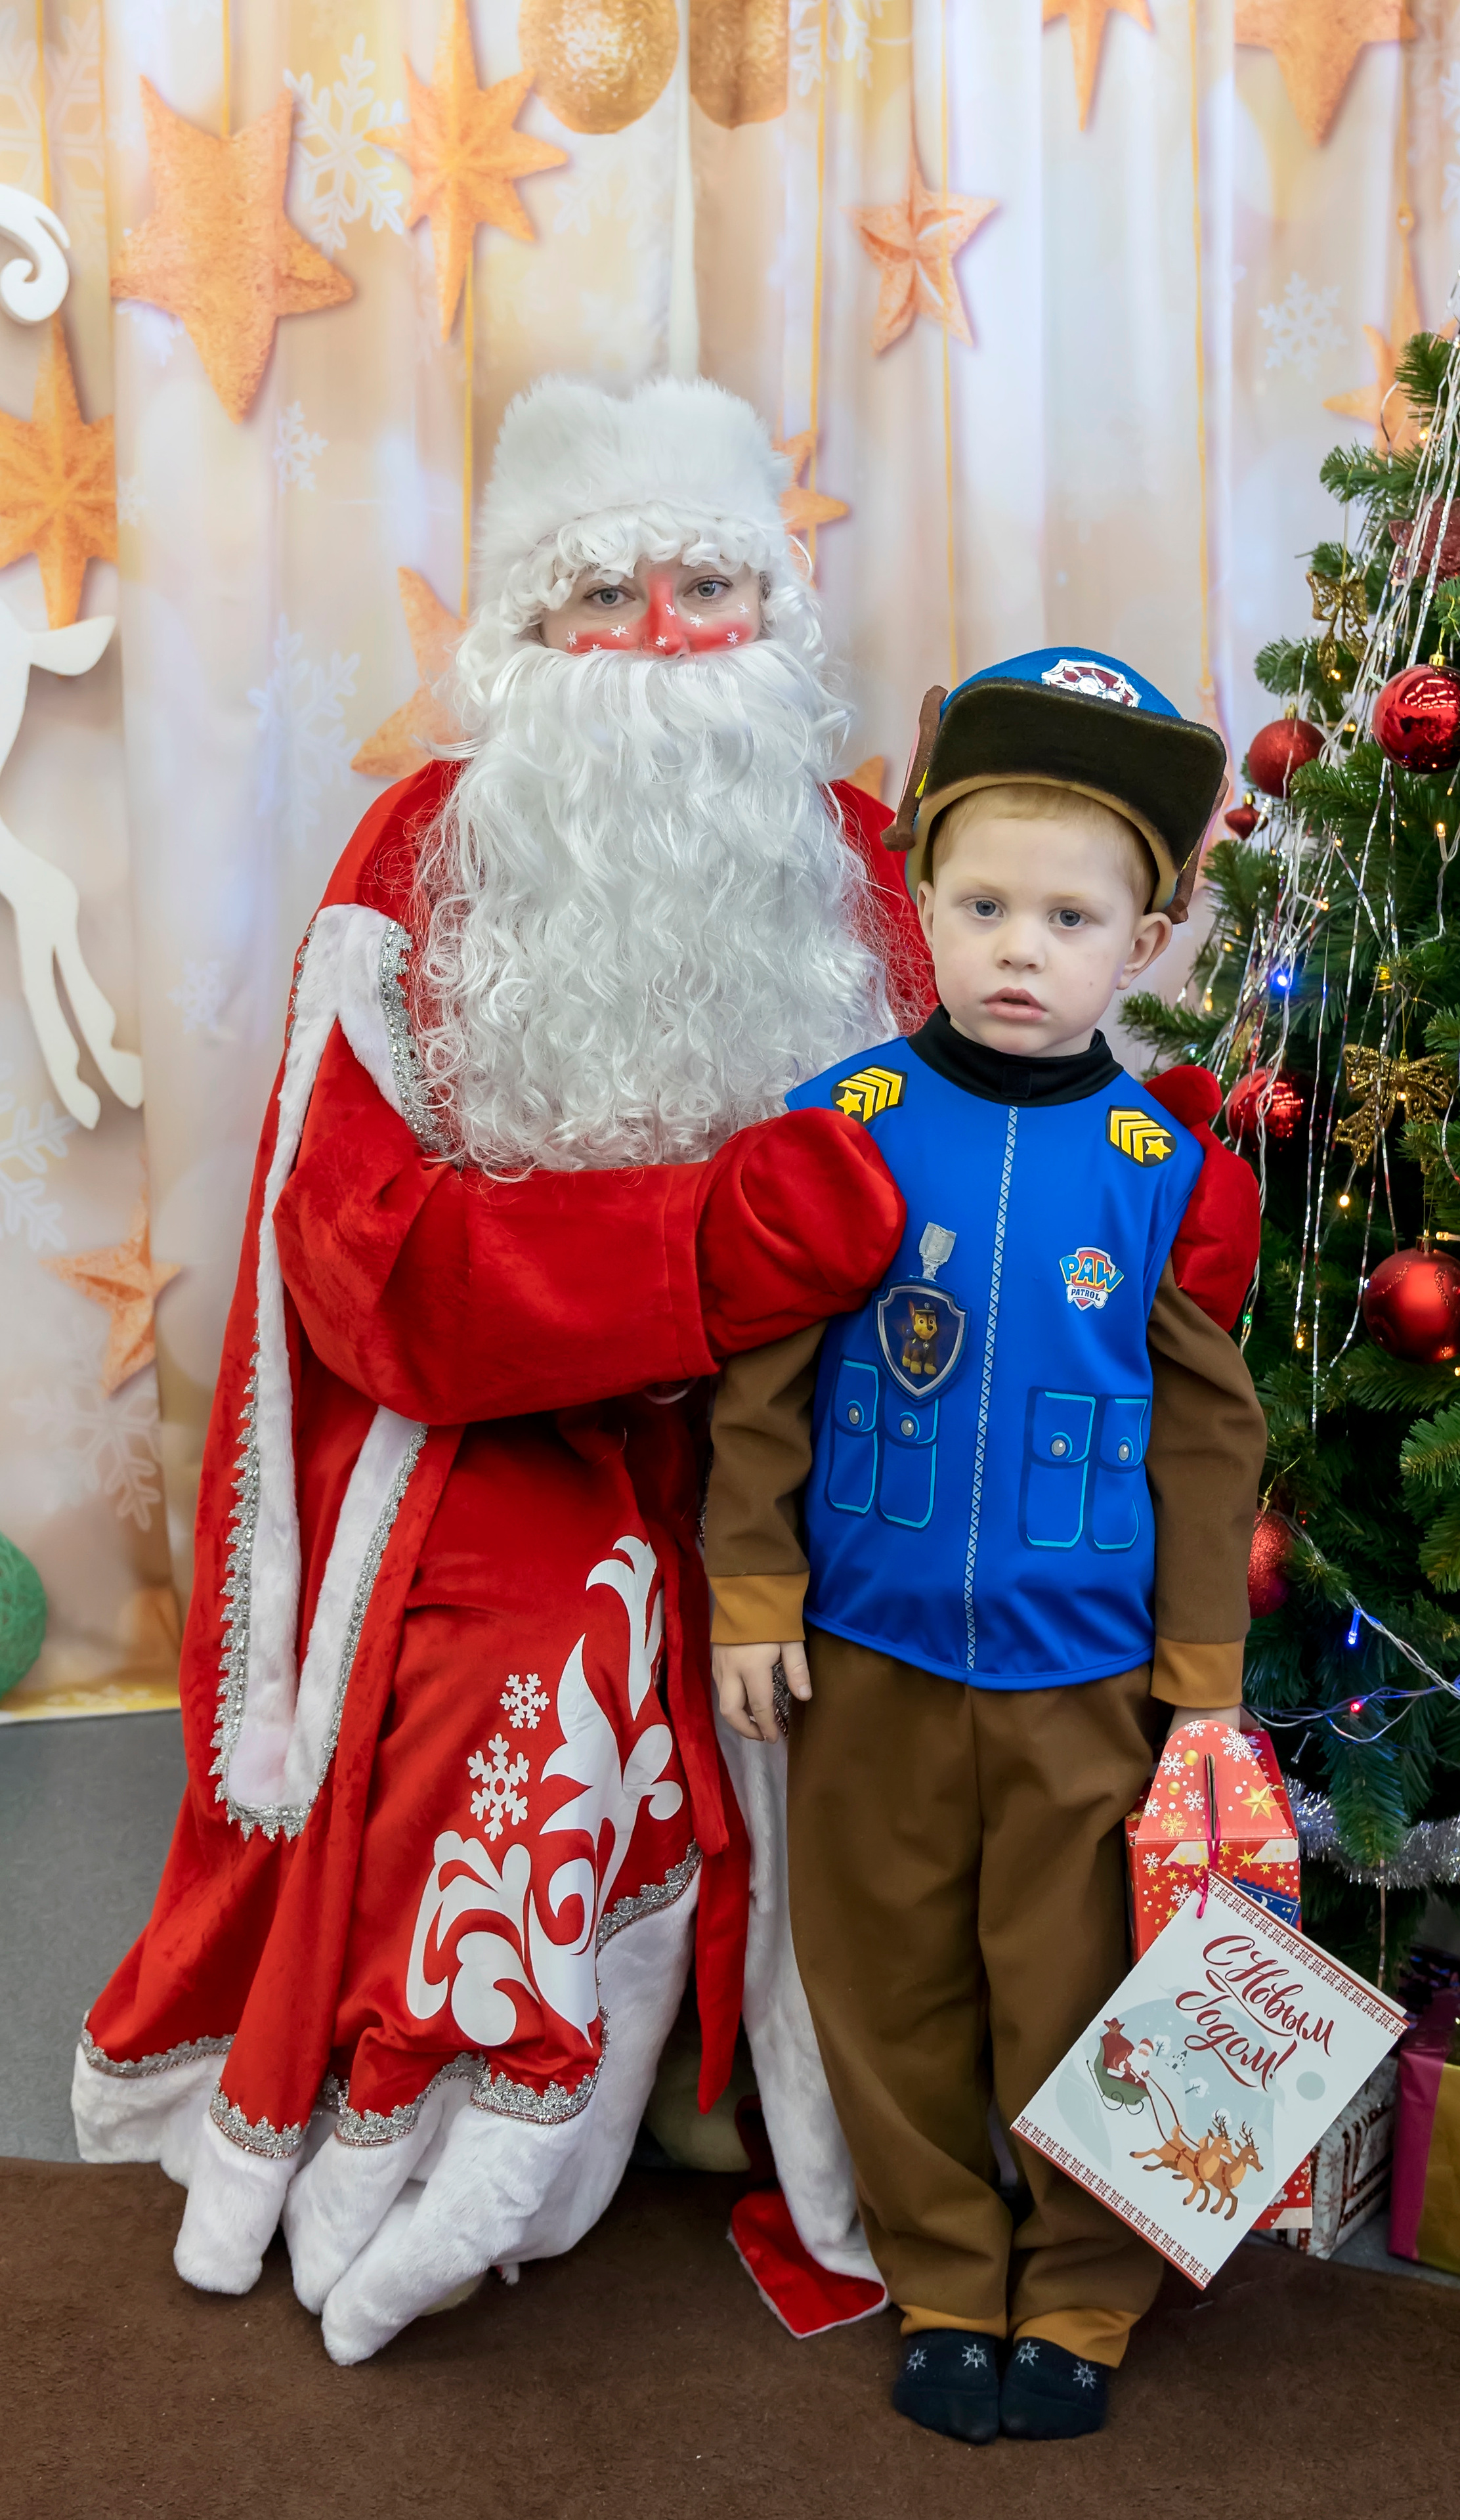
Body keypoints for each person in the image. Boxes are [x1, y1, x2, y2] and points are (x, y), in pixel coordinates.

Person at [72, 373, 932, 2364]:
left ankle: (827, 2076)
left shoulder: (869, 855)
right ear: (524, 639)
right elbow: (363, 1263)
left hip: (827, 1414)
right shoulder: (421, 857)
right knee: (543, 1642)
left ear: (776, 615)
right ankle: (478, 2117)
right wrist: (689, 1254)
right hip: (504, 1426)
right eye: (602, 593)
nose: (657, 638)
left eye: (708, 584)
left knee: (928, 1618)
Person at [704, 649, 1267, 2444]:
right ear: (924, 902)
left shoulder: (1156, 1165)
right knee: (886, 1986)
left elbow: (1205, 1429)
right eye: (984, 904)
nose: (1023, 949)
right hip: (864, 1658)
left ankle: (1085, 2290)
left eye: (1073, 917)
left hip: (1084, 1679)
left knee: (1080, 1990)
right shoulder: (842, 1125)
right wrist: (753, 1587)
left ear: (1148, 938)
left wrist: (1200, 1687)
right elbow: (765, 1385)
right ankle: (948, 2271)